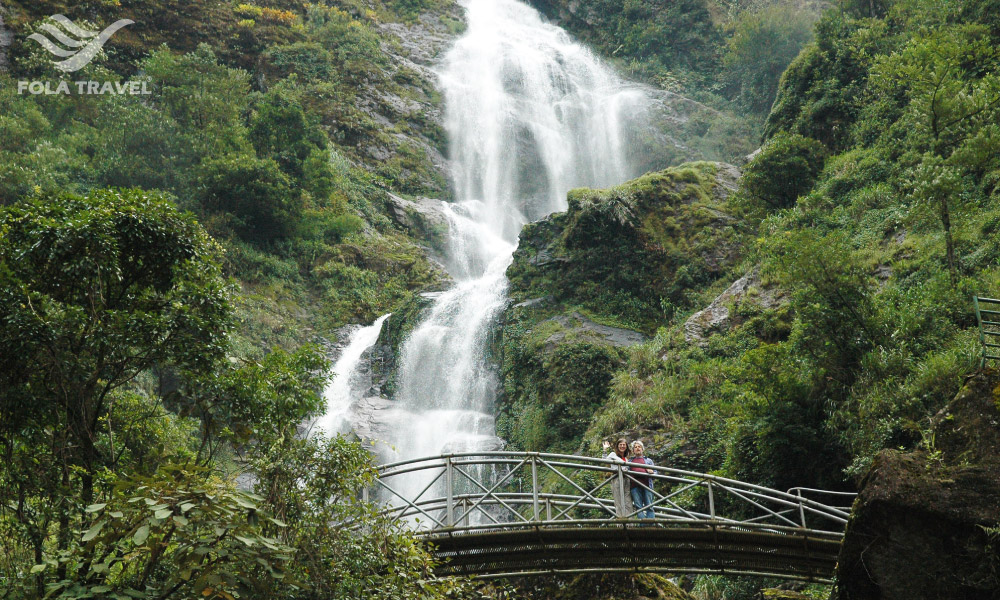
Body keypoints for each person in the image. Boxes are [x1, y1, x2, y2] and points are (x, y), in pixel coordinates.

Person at [601, 438, 630, 518]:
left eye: (624, 445)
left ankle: (630, 523)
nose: (622, 446)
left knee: (628, 501)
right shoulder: (613, 454)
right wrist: (604, 450)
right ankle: (621, 523)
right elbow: (605, 461)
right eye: (620, 445)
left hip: (626, 480)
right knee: (618, 501)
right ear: (617, 446)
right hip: (617, 479)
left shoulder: (626, 458)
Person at [628, 440, 655, 522]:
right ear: (633, 451)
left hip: (647, 486)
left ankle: (650, 526)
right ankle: (643, 526)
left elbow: (655, 474)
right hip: (634, 487)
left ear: (642, 449)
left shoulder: (648, 461)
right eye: (635, 447)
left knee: (649, 505)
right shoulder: (630, 461)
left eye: (639, 447)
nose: (637, 448)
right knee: (638, 507)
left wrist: (652, 472)